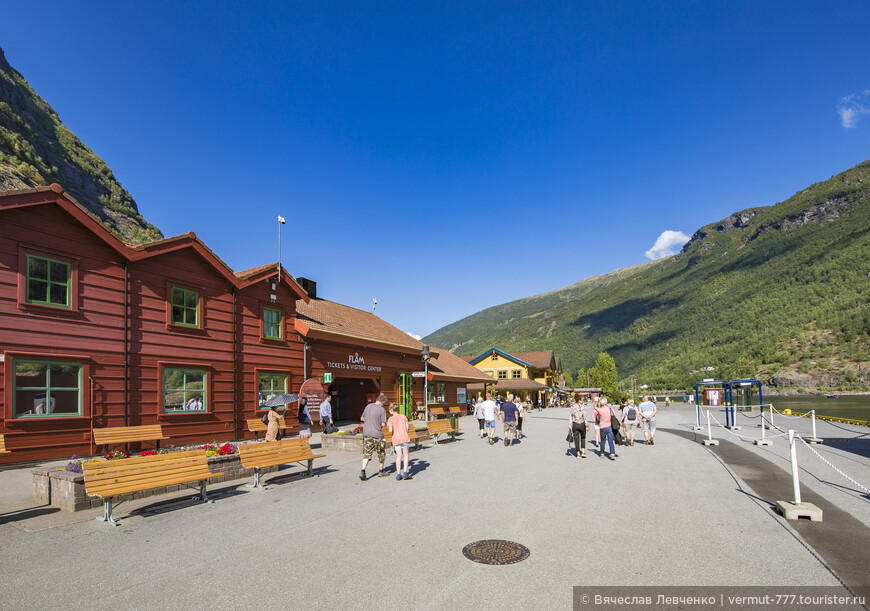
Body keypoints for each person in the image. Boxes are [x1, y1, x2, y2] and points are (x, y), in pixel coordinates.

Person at [360, 394, 388, 480]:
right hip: (377, 435)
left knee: (367, 453)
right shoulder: (382, 410)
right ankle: (381, 471)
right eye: (384, 403)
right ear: (382, 402)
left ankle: (363, 470)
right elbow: (383, 424)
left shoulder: (368, 406)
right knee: (381, 453)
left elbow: (362, 418)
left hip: (367, 433)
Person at [386, 403, 413, 480]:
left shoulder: (390, 419)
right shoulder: (403, 416)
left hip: (396, 438)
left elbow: (390, 430)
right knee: (406, 455)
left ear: (391, 410)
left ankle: (398, 474)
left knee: (398, 456)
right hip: (404, 437)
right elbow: (407, 428)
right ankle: (405, 472)